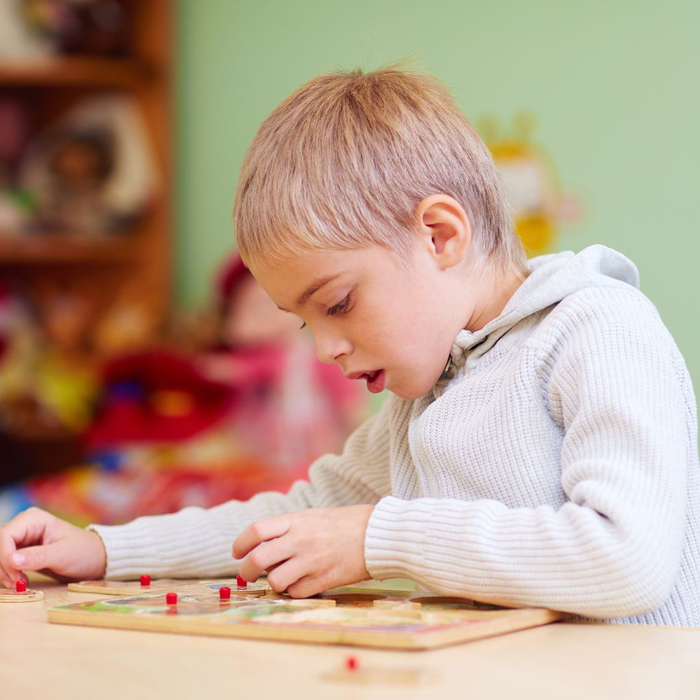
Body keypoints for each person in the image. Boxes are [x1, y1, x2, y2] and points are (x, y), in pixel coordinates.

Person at [0, 66, 698, 626]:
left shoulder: (600, 330)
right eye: (305, 320)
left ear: (440, 236)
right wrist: (103, 549)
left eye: (337, 303)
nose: (326, 347)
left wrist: (378, 538)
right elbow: (292, 519)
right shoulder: (429, 391)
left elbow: (626, 559)